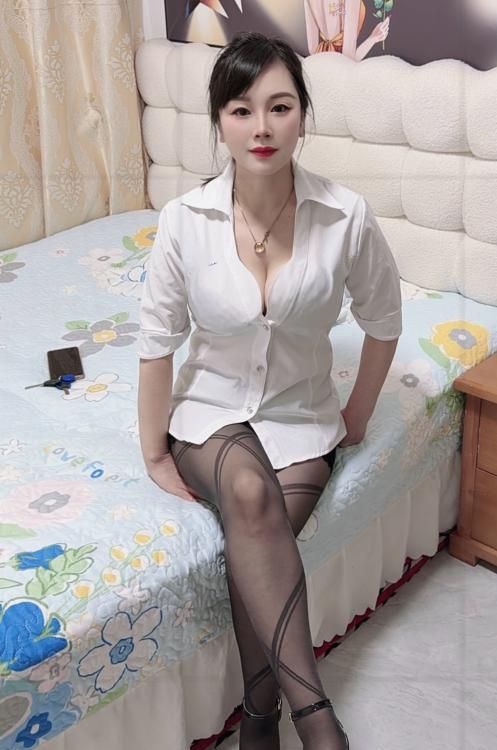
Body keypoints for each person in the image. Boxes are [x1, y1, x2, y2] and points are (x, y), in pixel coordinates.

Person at [138, 31, 401, 750]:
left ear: (302, 116)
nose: (261, 127)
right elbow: (157, 344)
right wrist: (154, 452)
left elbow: (383, 322)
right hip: (208, 416)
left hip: (301, 417)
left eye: (279, 107)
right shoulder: (183, 222)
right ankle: (318, 723)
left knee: (258, 537)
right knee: (250, 497)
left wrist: (355, 415)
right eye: (241, 109)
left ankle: (261, 716)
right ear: (219, 122)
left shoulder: (346, 217)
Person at [304, 0, 390, 59]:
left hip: (320, 64)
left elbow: (312, 50)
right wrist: (373, 38)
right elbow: (349, 59)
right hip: (341, 69)